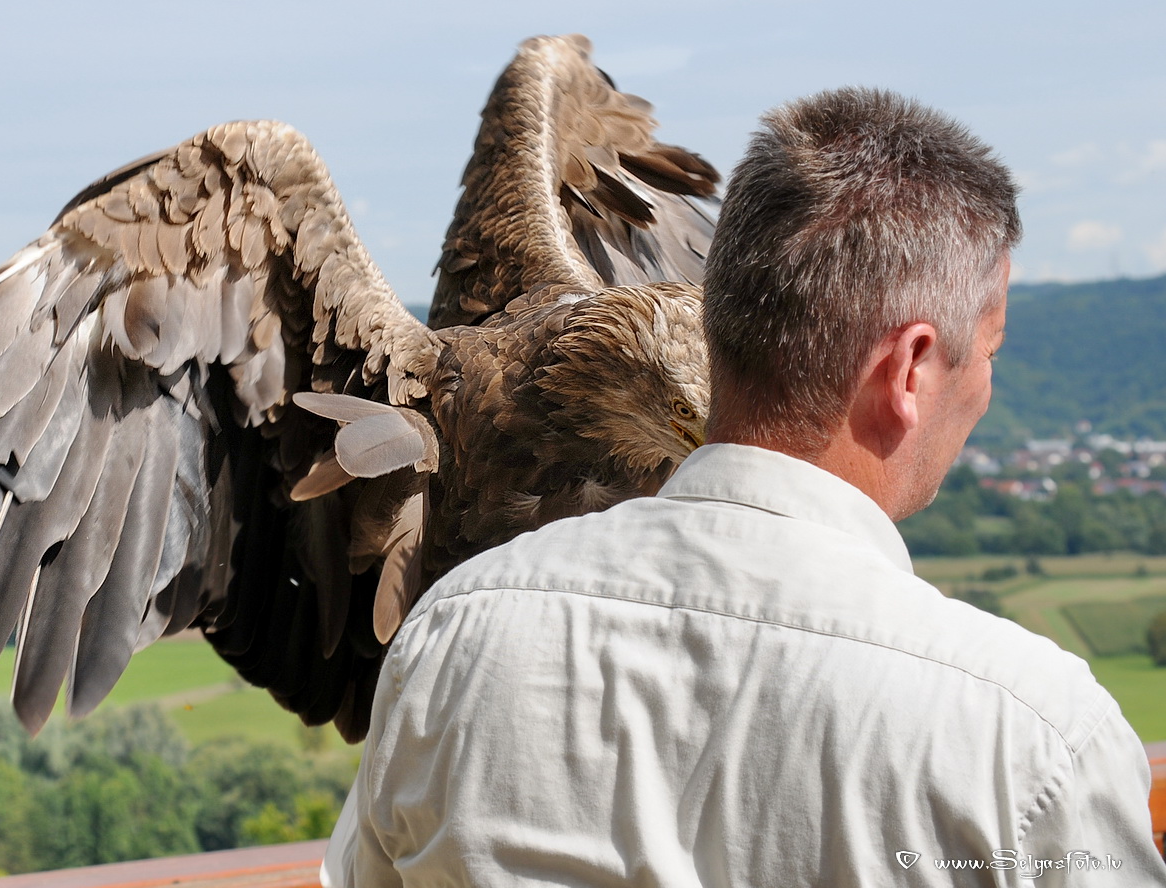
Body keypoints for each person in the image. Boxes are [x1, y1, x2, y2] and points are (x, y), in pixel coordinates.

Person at [323, 88, 1166, 886]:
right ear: (909, 367)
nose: (987, 389)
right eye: (990, 353)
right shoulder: (1032, 739)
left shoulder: (447, 641)